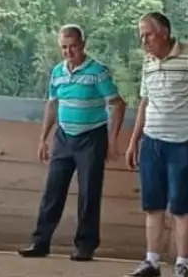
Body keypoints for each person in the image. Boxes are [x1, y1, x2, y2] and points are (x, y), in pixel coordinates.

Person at [125, 12, 188, 277]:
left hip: (183, 141)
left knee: (180, 206)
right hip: (152, 141)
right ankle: (152, 261)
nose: (144, 41)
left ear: (164, 32)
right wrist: (134, 140)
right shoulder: (148, 63)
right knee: (153, 205)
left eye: (148, 34)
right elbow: (144, 103)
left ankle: (182, 265)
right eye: (141, 36)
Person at [20, 25, 125, 261]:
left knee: (89, 192)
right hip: (64, 136)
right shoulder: (57, 72)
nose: (69, 52)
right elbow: (52, 104)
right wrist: (43, 138)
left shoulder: (98, 71)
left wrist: (112, 140)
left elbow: (118, 104)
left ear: (83, 44)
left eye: (73, 46)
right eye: (64, 48)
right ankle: (40, 242)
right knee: (52, 190)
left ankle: (85, 246)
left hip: (92, 137)